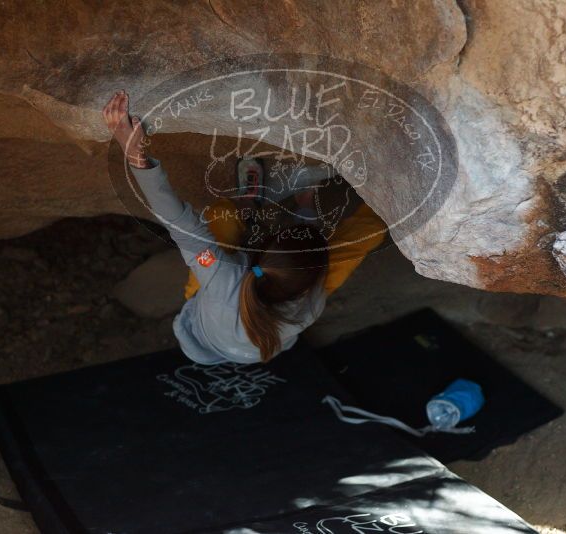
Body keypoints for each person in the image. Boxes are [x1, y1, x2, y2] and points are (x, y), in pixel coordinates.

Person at [103, 90, 387, 365]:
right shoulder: (311, 306)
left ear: (262, 250)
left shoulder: (215, 272)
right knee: (357, 243)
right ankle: (386, 195)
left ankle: (249, 206)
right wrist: (305, 209)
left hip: (218, 318)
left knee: (222, 217)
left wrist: (135, 154)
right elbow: (304, 264)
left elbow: (180, 224)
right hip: (255, 333)